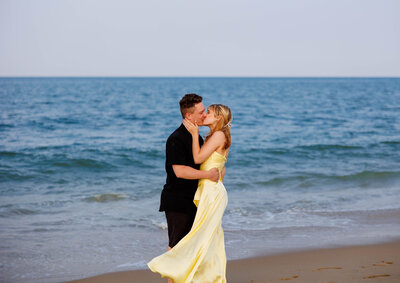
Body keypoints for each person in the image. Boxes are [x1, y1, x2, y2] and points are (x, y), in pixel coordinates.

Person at [148, 103, 233, 283]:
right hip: (209, 192)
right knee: (203, 238)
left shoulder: (217, 135)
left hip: (210, 193)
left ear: (218, 117)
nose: (205, 116)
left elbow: (197, 159)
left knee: (199, 238)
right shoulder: (213, 136)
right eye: (203, 112)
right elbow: (221, 168)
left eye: (208, 113)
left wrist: (194, 135)